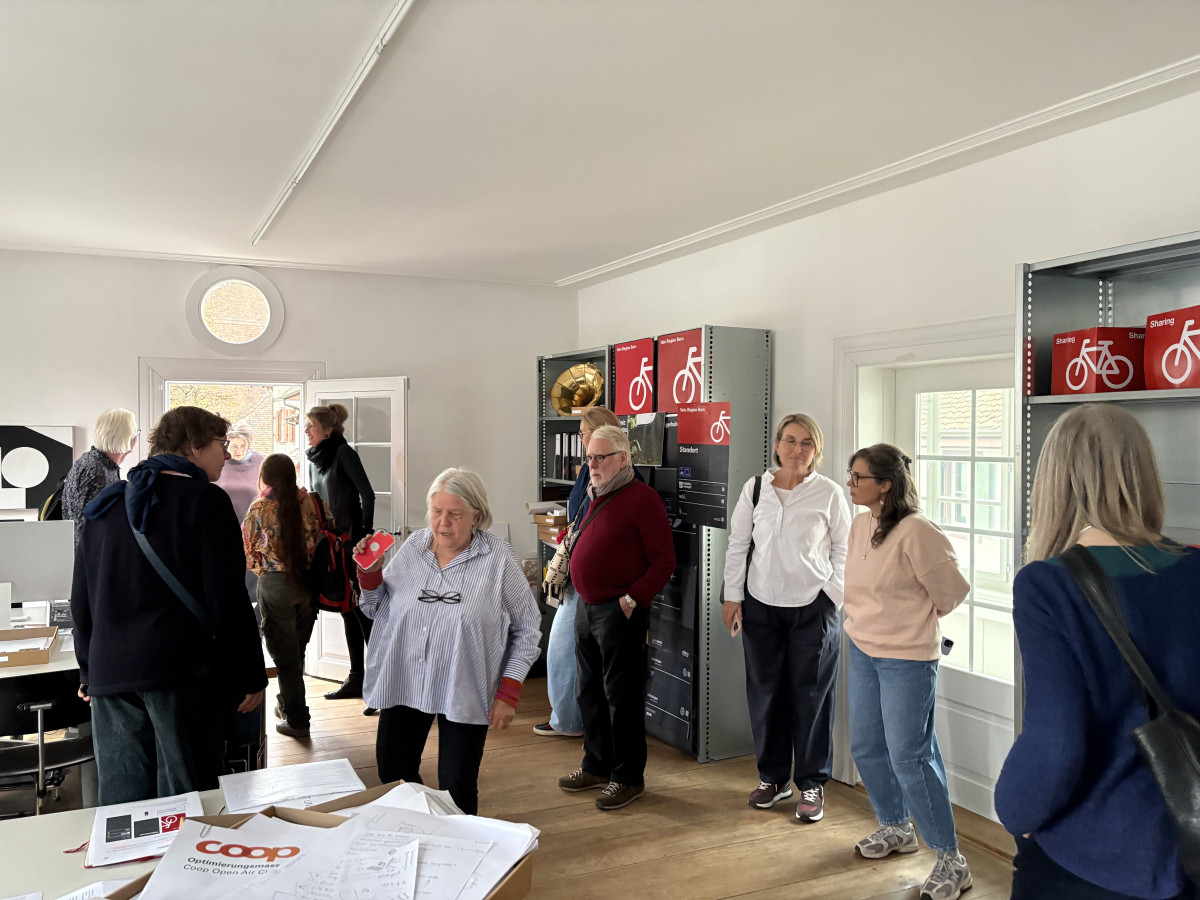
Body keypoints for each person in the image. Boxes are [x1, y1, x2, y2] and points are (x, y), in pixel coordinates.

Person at [995, 405, 1200, 900]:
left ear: (1055, 481)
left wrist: (1016, 812)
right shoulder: (1194, 567)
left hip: (1093, 851)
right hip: (1189, 842)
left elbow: (1057, 740)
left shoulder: (1048, 584)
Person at [71, 406, 266, 804]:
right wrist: (249, 674)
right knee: (186, 799)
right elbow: (227, 597)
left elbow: (82, 597)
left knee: (124, 805)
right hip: (179, 670)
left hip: (111, 674)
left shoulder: (106, 505)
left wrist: (88, 670)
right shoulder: (206, 501)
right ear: (194, 446)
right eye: (221, 444)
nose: (226, 454)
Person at [355, 468, 541, 815]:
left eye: (455, 514)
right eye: (436, 511)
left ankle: (455, 839)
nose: (443, 522)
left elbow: (528, 628)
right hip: (405, 678)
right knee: (393, 773)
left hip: (464, 684)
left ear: (477, 515)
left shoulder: (498, 558)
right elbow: (374, 606)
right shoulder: (413, 547)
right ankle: (419, 829)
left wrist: (509, 692)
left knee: (457, 788)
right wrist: (370, 572)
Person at [843, 443, 972, 900]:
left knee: (911, 757)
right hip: (862, 648)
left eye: (858, 477)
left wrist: (908, 620)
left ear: (885, 485)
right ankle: (897, 827)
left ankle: (951, 860)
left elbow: (951, 593)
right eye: (850, 474)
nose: (850, 483)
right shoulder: (861, 524)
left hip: (907, 659)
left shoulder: (917, 530)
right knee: (866, 744)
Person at [721, 413, 850, 822]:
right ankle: (773, 779)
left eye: (806, 443)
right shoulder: (755, 488)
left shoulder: (829, 493)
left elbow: (845, 549)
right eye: (790, 440)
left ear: (817, 450)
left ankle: (811, 783)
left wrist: (831, 598)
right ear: (777, 445)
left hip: (813, 608)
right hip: (760, 605)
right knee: (766, 694)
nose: (797, 449)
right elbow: (738, 544)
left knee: (811, 698)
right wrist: (732, 596)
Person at [557, 424, 675, 810]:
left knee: (621, 697)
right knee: (589, 691)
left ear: (623, 459)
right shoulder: (597, 495)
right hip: (587, 607)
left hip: (618, 611)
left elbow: (664, 561)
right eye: (589, 457)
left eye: (600, 457)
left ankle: (627, 777)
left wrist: (632, 599)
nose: (592, 464)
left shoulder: (642, 499)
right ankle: (596, 765)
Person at [533, 406, 622, 739]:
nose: (581, 439)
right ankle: (572, 719)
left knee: (563, 650)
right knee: (573, 652)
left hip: (590, 580)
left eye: (583, 433)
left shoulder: (611, 475)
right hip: (579, 573)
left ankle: (568, 721)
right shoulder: (588, 469)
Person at [242, 453, 330, 740]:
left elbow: (247, 550)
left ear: (266, 478)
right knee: (296, 652)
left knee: (285, 657)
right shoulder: (311, 502)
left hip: (275, 586)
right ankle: (286, 704)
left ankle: (297, 719)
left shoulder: (260, 507)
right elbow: (326, 533)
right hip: (307, 585)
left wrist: (263, 566)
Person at [305, 403, 376, 711]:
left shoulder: (344, 453)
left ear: (328, 429)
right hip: (330, 546)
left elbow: (368, 494)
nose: (306, 431)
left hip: (352, 545)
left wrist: (365, 534)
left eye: (310, 425)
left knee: (363, 613)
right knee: (347, 611)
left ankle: (380, 685)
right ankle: (356, 678)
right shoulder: (314, 459)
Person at [61, 407, 138, 546]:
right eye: (136, 433)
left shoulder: (98, 464)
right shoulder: (95, 469)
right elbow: (84, 527)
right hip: (93, 554)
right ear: (125, 437)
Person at [215, 421, 265, 523]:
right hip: (223, 522)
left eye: (243, 446)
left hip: (254, 523)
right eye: (234, 447)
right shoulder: (217, 462)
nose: (239, 450)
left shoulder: (262, 461)